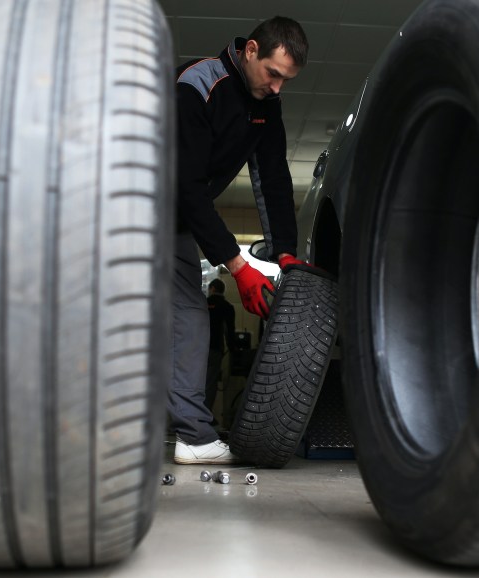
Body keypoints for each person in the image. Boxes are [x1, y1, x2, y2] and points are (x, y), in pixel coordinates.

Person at [170, 17, 310, 464]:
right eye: (273, 73)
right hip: (134, 206)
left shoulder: (267, 104)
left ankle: (178, 428)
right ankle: (192, 436)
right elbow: (186, 188)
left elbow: (272, 178)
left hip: (174, 221)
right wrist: (238, 265)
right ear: (251, 50)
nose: (277, 88)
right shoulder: (197, 84)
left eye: (287, 80)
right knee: (186, 317)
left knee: (177, 319)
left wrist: (284, 252)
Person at [204, 278, 240, 421]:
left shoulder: (202, 303)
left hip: (196, 349)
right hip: (214, 349)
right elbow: (229, 330)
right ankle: (205, 415)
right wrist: (233, 349)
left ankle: (191, 415)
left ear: (212, 288)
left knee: (194, 382)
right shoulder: (227, 306)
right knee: (211, 382)